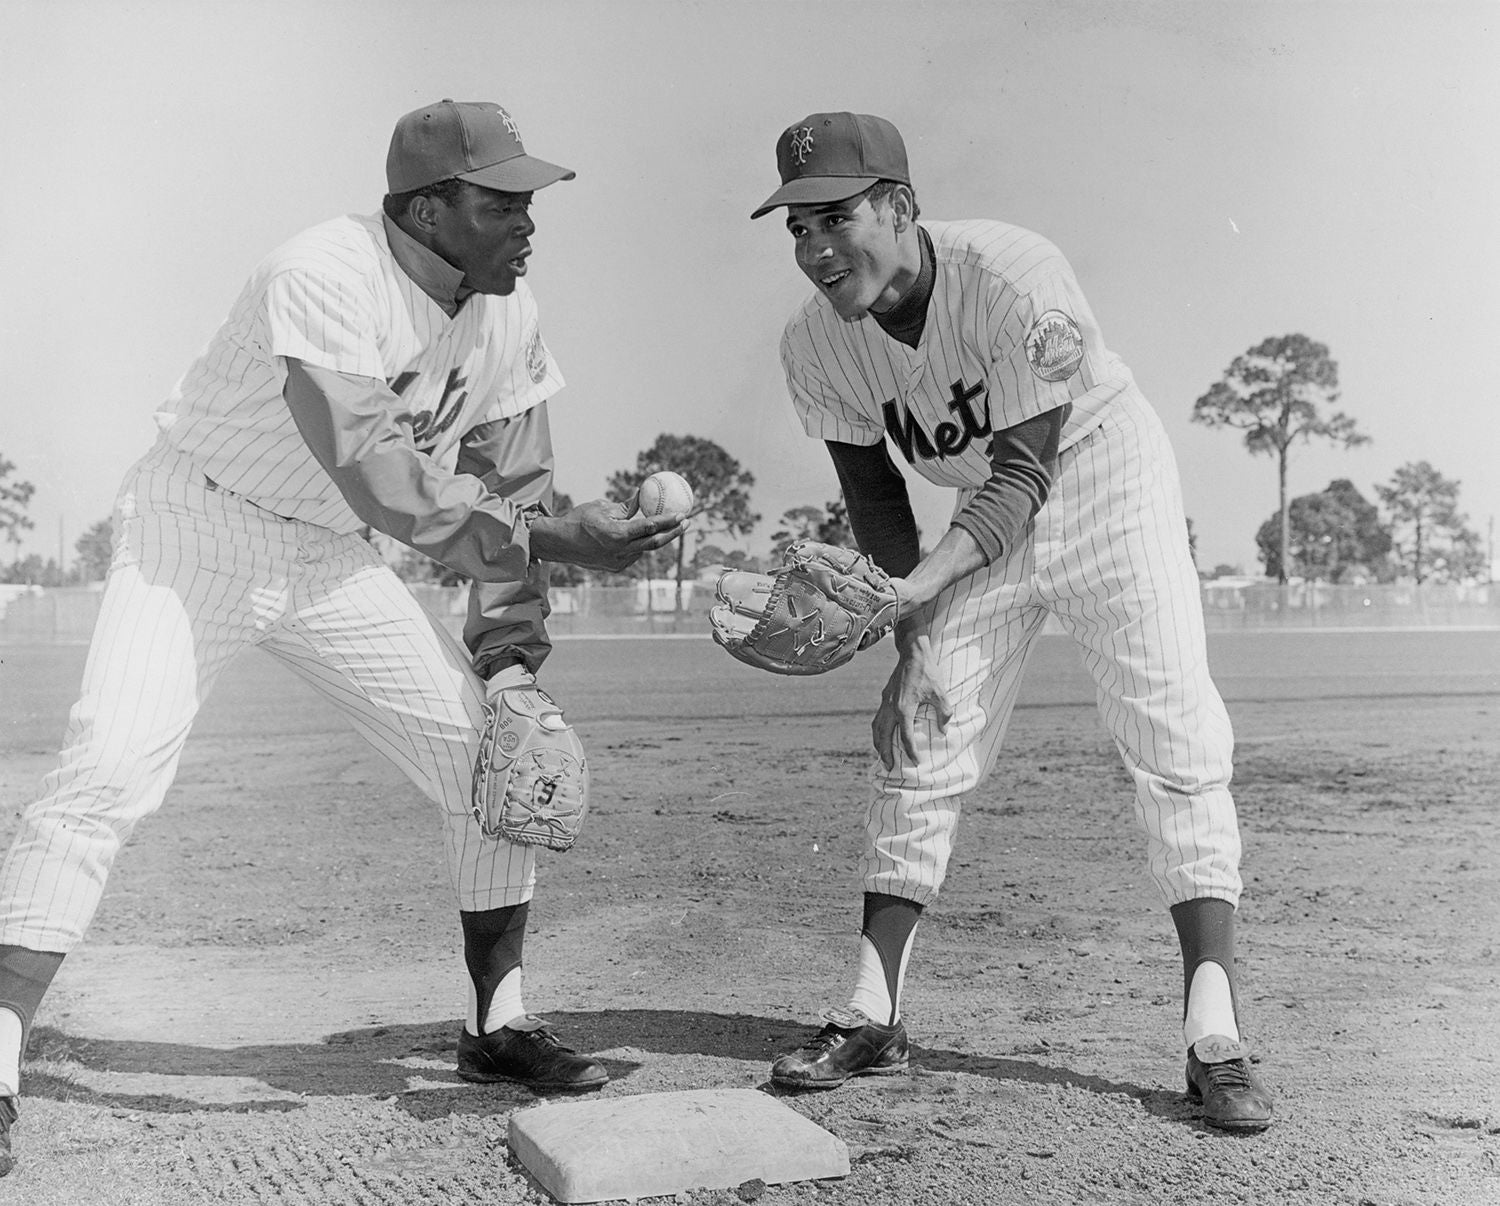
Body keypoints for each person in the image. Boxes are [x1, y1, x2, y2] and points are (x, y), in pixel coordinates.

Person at [0, 98, 688, 1176]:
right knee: (109, 766)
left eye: (530, 198)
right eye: (500, 199)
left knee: (487, 764)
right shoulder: (323, 270)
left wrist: (509, 673)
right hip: (200, 525)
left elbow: (508, 497)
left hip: (328, 559)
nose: (527, 220)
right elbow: (382, 476)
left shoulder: (511, 314)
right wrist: (569, 537)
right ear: (426, 206)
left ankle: (497, 1023)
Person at [748, 112, 1273, 1132]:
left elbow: (1025, 473)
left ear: (900, 207)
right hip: (982, 515)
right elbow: (879, 501)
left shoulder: (1014, 276)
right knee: (925, 729)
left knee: (1173, 739)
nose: (815, 249)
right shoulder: (815, 342)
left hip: (1106, 478)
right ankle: (872, 1013)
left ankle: (1215, 1035)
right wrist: (912, 641)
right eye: (796, 228)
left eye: (835, 217)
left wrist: (917, 593)